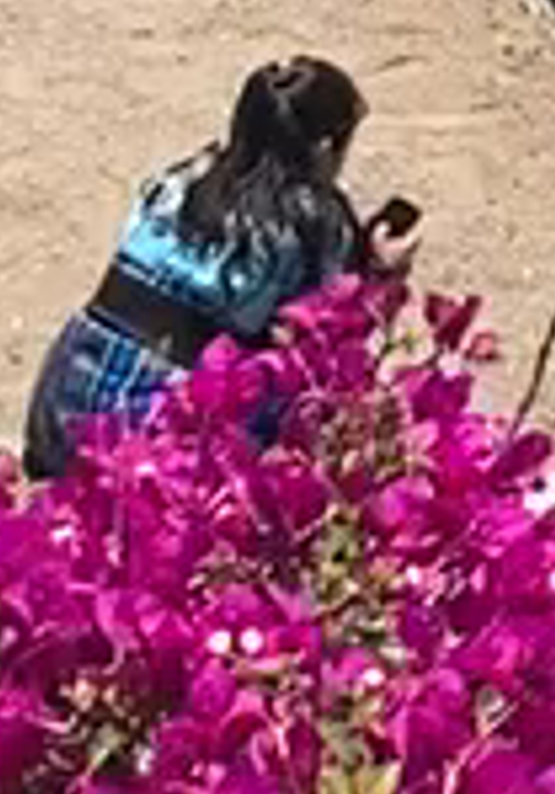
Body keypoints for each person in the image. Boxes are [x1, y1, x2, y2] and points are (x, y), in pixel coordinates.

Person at [22, 57, 414, 478]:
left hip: (63, 400)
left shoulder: (180, 179)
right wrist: (380, 274)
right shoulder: (313, 221)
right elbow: (331, 328)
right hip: (150, 431)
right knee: (303, 386)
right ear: (323, 146)